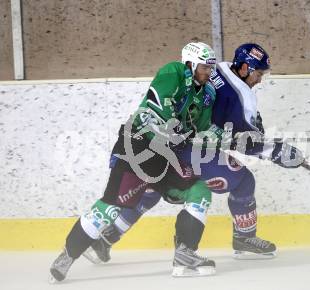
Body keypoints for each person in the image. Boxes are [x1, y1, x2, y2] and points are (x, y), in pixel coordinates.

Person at [84, 43, 304, 264]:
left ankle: (104, 240)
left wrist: (249, 130)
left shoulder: (219, 68)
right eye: (258, 73)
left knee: (151, 189)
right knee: (244, 181)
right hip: (190, 147)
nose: (260, 79)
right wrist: (276, 152)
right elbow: (244, 141)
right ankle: (243, 238)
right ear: (245, 68)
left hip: (163, 143)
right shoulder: (243, 96)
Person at [49, 42, 222, 282]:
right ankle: (68, 255)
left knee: (199, 190)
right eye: (204, 67)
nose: (208, 72)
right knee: (111, 206)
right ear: (190, 64)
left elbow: (200, 129)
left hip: (166, 155)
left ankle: (185, 255)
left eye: (210, 68)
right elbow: (159, 105)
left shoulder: (205, 93)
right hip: (138, 146)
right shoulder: (173, 71)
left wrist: (216, 133)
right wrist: (176, 127)